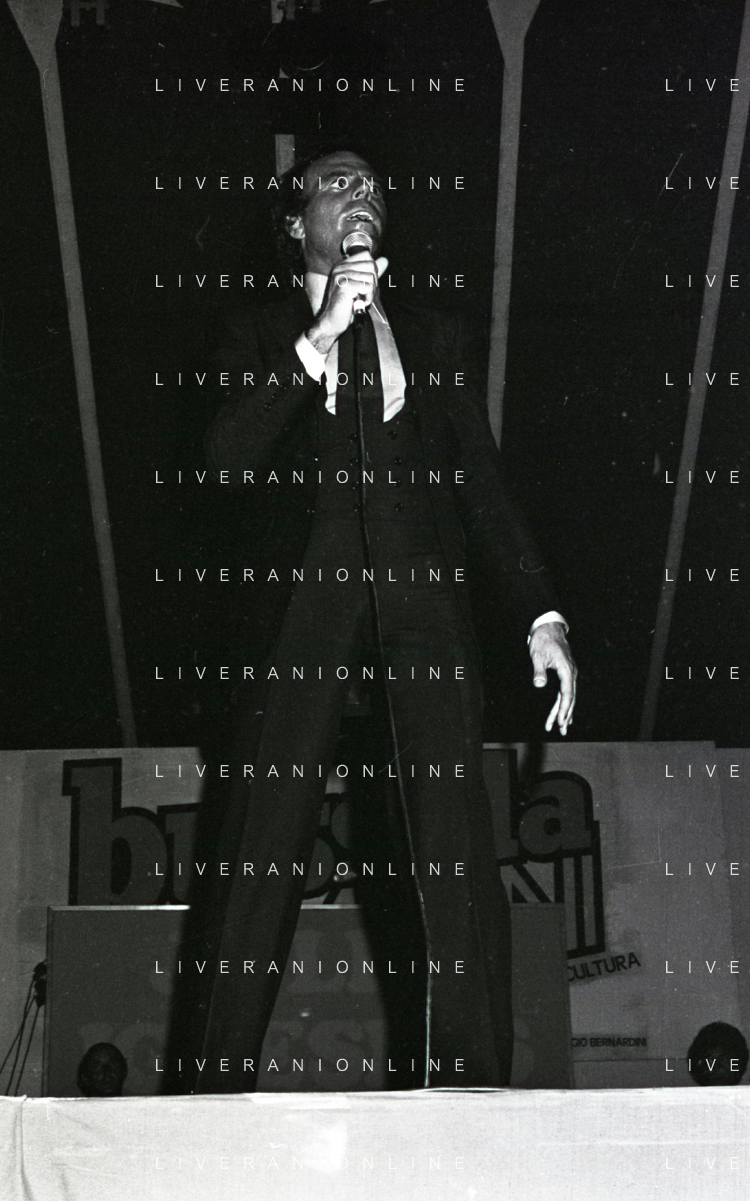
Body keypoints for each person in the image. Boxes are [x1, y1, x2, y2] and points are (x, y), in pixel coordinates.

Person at [167, 145, 576, 1094]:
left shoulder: (433, 336)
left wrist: (540, 611)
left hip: (422, 590)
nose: (364, 196)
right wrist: (320, 334)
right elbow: (222, 460)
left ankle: (469, 1085)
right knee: (261, 835)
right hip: (301, 601)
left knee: (452, 833)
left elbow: (480, 477)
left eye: (375, 188)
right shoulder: (256, 331)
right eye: (340, 184)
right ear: (295, 224)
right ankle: (209, 1092)